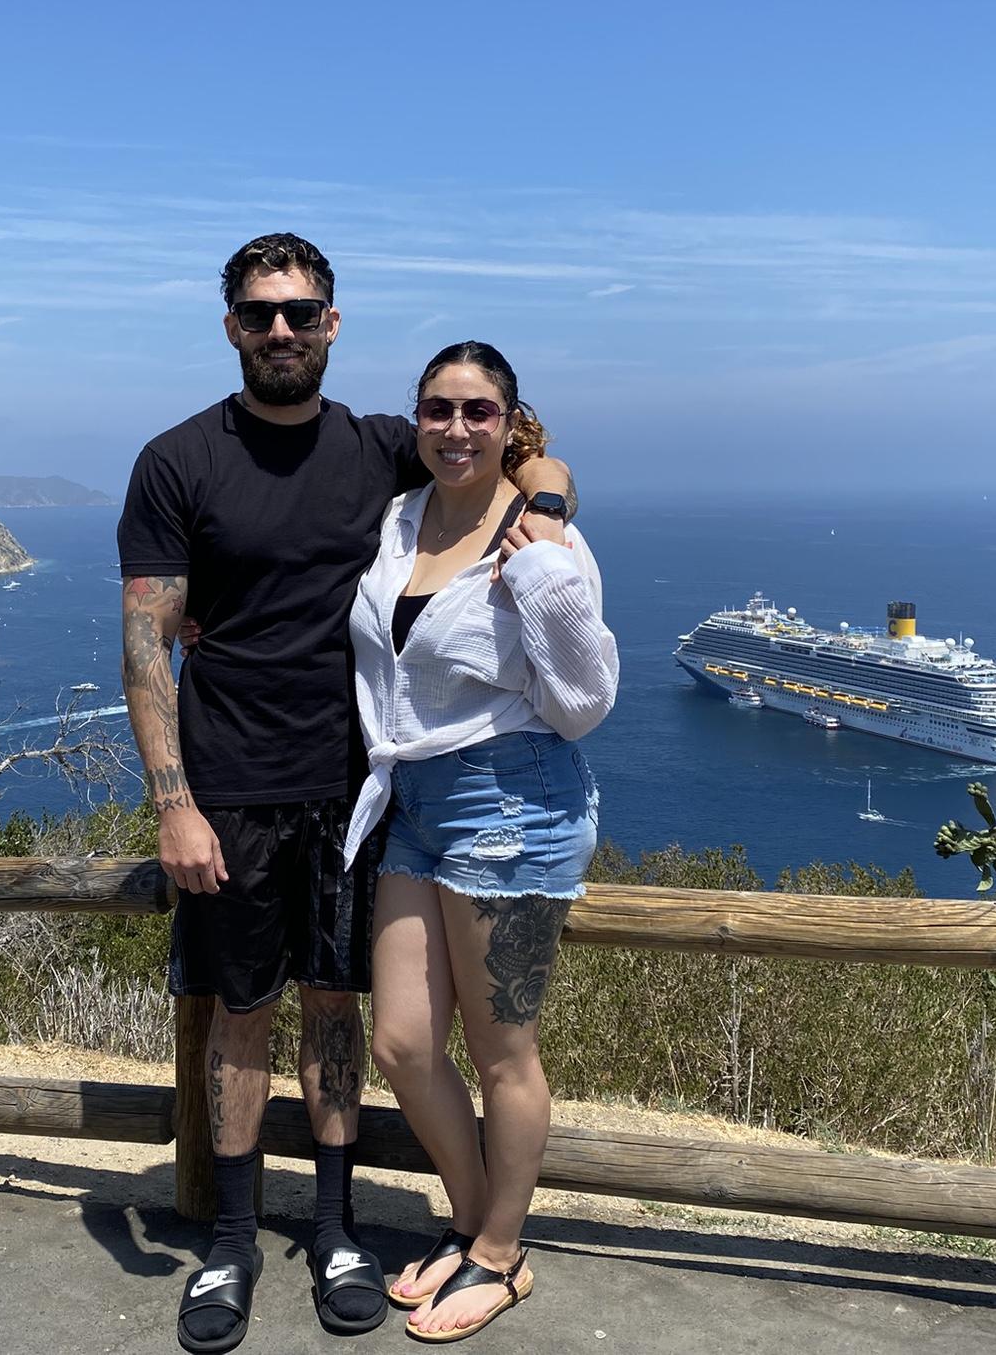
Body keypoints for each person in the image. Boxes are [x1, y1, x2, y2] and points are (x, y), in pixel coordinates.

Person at [117, 236, 578, 1354]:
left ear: (333, 324)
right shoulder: (176, 461)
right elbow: (143, 647)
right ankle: (232, 1240)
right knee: (239, 1014)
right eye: (262, 313)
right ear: (230, 324)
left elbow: (509, 450)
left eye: (303, 313)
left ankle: (332, 1229)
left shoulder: (385, 447)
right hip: (227, 789)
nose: (282, 330)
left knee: (337, 1009)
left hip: (358, 788)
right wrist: (173, 803)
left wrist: (552, 501)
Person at [343, 341, 618, 1343]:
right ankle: (469, 1226)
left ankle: (504, 1256)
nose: (456, 428)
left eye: (479, 412)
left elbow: (587, 701)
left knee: (505, 1053)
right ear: (417, 418)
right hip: (413, 799)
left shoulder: (539, 538)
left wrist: (542, 558)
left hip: (512, 801)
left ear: (510, 422)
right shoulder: (399, 518)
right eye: (438, 409)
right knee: (404, 1044)